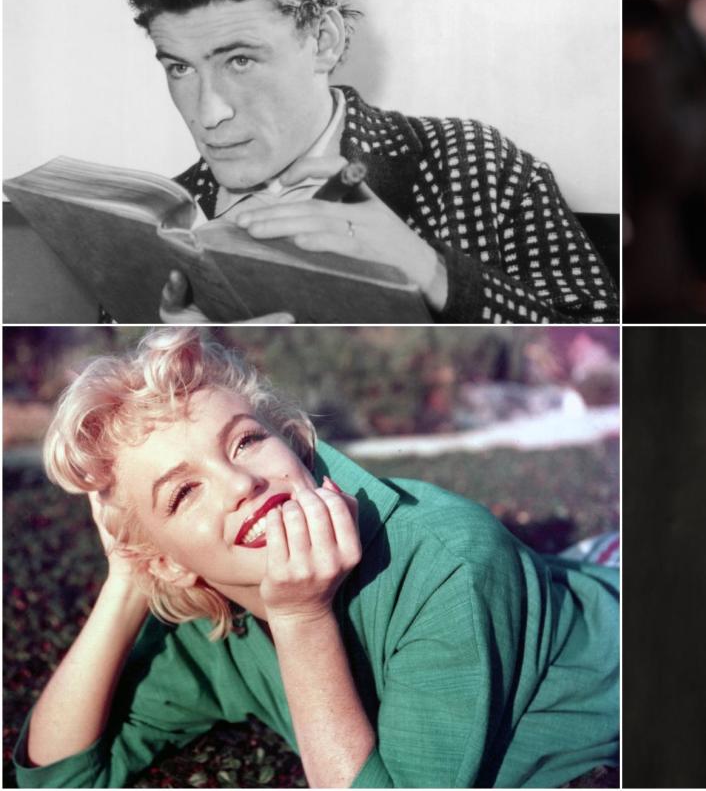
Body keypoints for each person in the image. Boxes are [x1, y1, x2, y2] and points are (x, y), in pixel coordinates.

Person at [13, 329, 619, 788]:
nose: (239, 482)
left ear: (294, 445)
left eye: (246, 440)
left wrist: (303, 619)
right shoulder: (213, 615)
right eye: (184, 491)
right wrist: (126, 581)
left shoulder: (449, 562)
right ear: (170, 561)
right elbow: (55, 774)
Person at [122, 0, 617, 325]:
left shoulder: (474, 165)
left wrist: (429, 271)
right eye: (180, 69)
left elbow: (603, 342)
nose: (209, 114)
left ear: (324, 41)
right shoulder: (158, 222)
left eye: (240, 60)